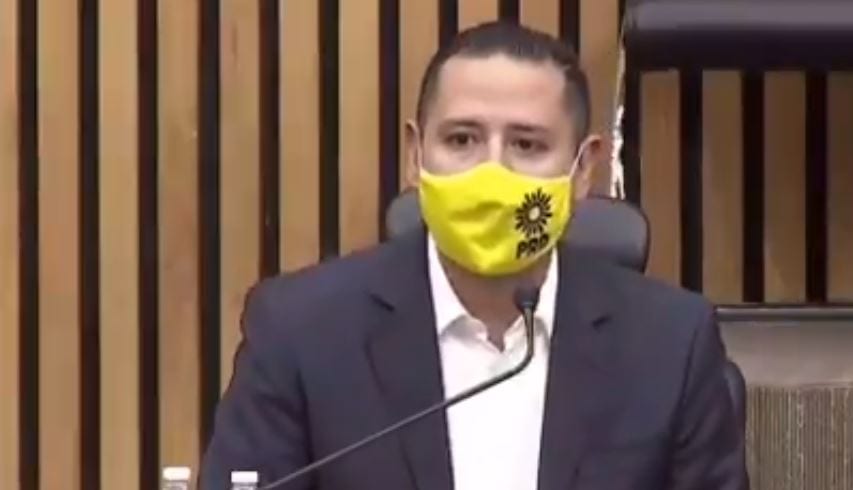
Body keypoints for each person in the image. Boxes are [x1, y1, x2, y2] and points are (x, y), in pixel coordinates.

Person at [200, 21, 747, 490]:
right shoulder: (301, 332)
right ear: (416, 155)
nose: (491, 173)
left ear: (583, 169)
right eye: (462, 140)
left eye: (526, 144)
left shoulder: (670, 344)